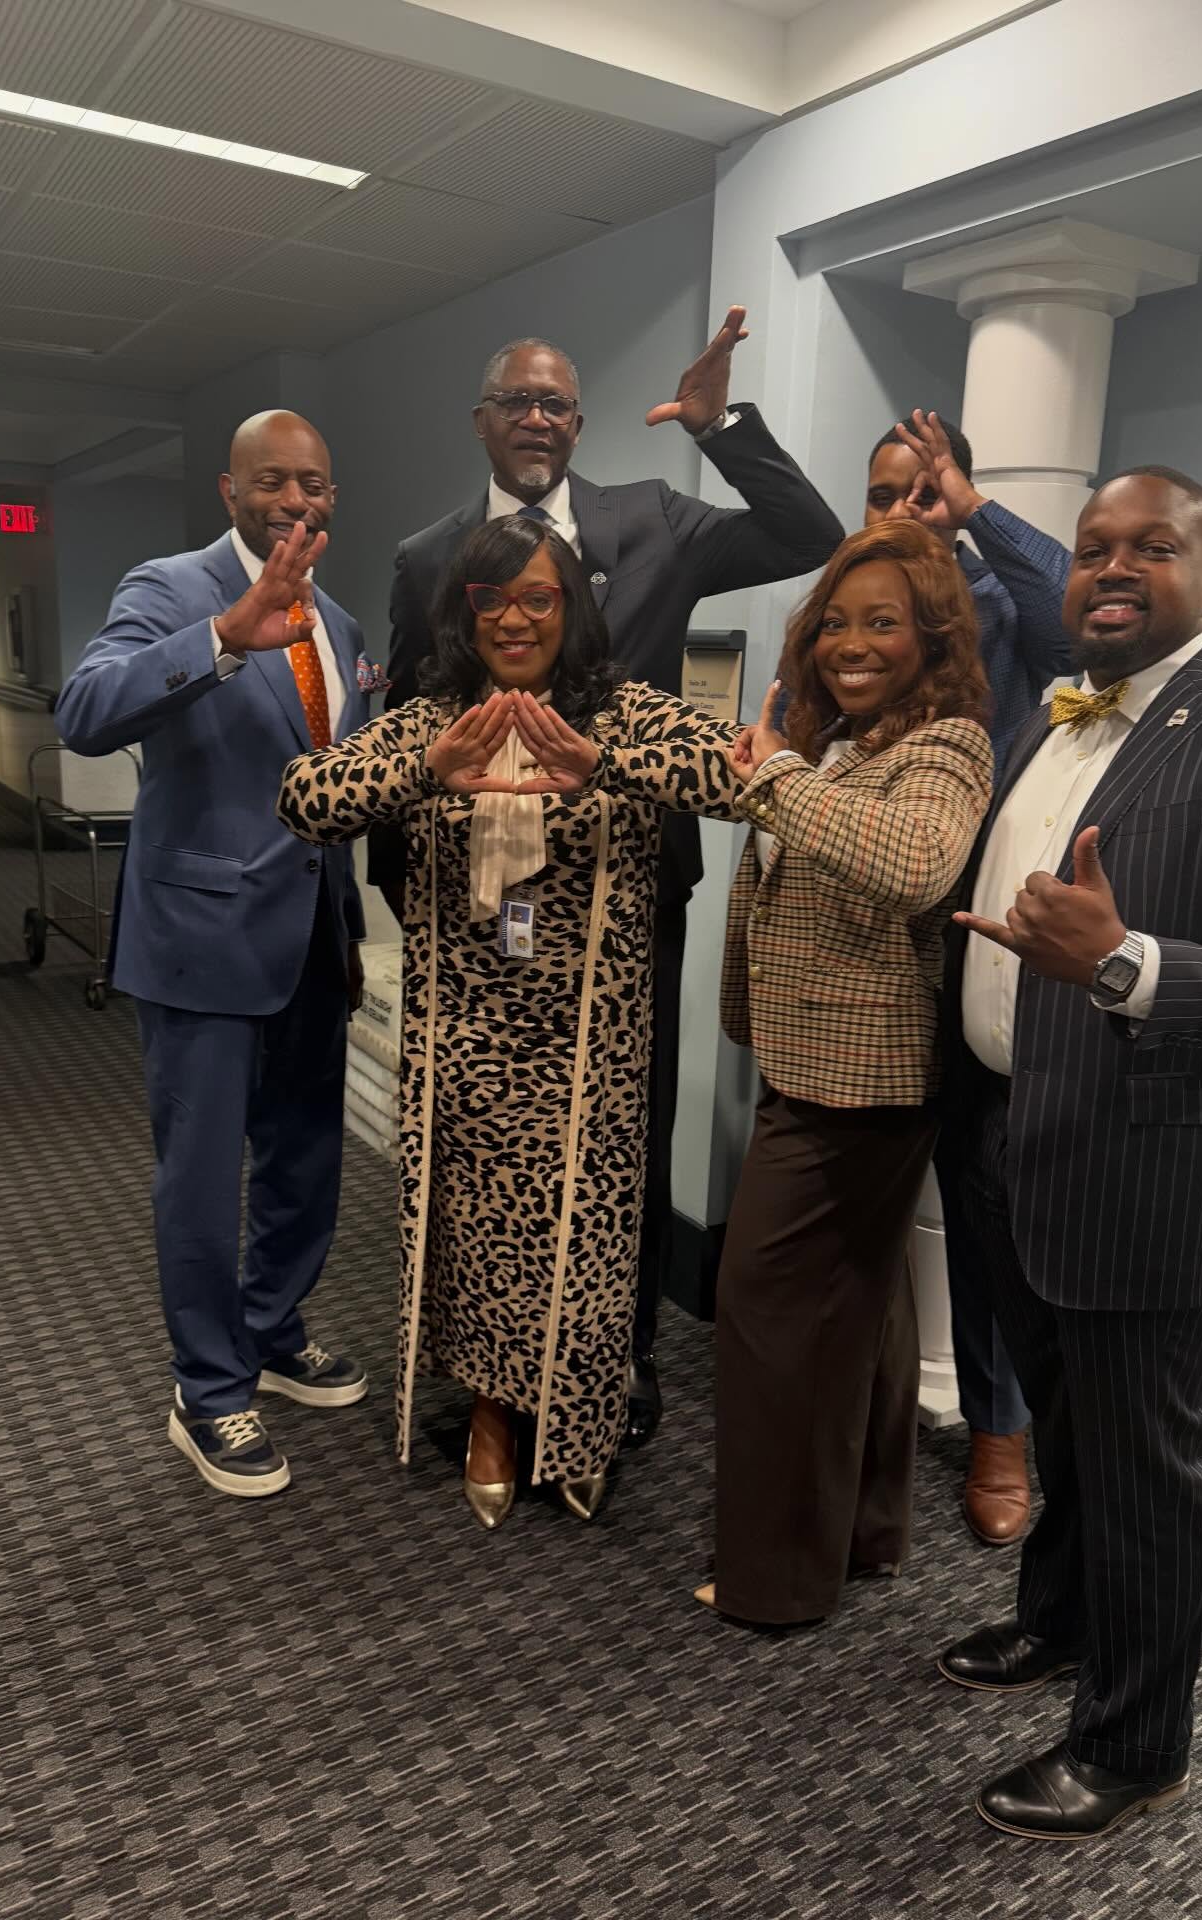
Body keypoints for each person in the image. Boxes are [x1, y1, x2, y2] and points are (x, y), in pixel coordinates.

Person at [370, 308, 843, 1448]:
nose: (537, 418)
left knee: (621, 1126)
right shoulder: (429, 556)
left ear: (578, 425)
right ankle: (489, 1359)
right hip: (478, 899)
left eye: (557, 404)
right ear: (482, 422)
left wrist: (719, 426)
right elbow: (409, 725)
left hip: (627, 892)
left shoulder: (656, 519)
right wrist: (404, 896)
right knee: (486, 1135)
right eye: (517, 402)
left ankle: (610, 1359)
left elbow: (807, 532)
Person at [937, 467, 1202, 1839]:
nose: (1112, 567)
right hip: (1022, 1135)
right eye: (1095, 546)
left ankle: (1138, 1742)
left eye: (1154, 547)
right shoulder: (1059, 714)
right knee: (1068, 1434)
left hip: (1158, 1166)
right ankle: (1062, 1623)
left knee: (1146, 1473)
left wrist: (1127, 961)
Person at [279, 515, 742, 1528]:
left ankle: (576, 1420)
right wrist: (421, 771)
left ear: (571, 606)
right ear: (467, 610)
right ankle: (493, 1414)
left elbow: (736, 776)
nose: (516, 619)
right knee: (484, 1242)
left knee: (588, 1244)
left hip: (591, 1046)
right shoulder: (438, 718)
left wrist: (605, 765)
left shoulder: (622, 711)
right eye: (493, 598)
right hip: (468, 1041)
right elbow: (303, 799)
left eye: (539, 596)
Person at [54, 410, 375, 1498]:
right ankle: (208, 1386)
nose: (296, 501)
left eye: (314, 484)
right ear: (232, 491)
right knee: (199, 1178)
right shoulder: (169, 589)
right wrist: (225, 638)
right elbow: (84, 711)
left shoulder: (338, 617)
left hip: (310, 938)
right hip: (201, 940)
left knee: (305, 1157)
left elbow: (334, 780)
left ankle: (271, 1329)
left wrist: (350, 924)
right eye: (273, 481)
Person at [695, 519, 992, 1624]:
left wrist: (774, 773)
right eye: (835, 624)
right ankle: (863, 1532)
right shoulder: (842, 744)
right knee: (861, 1307)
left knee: (768, 1309)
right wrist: (779, 768)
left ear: (933, 640)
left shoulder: (946, 747)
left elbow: (913, 864)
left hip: (862, 1085)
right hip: (814, 1064)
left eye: (884, 624)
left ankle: (776, 1579)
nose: (852, 644)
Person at [870, 410, 1077, 1546]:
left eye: (923, 491)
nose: (903, 511)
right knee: (848, 1183)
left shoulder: (1001, 608)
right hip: (860, 948)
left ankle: (1000, 1429)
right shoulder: (846, 611)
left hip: (969, 942)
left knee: (981, 1194)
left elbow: (1072, 622)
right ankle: (856, 1410)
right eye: (882, 493)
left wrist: (978, 514)